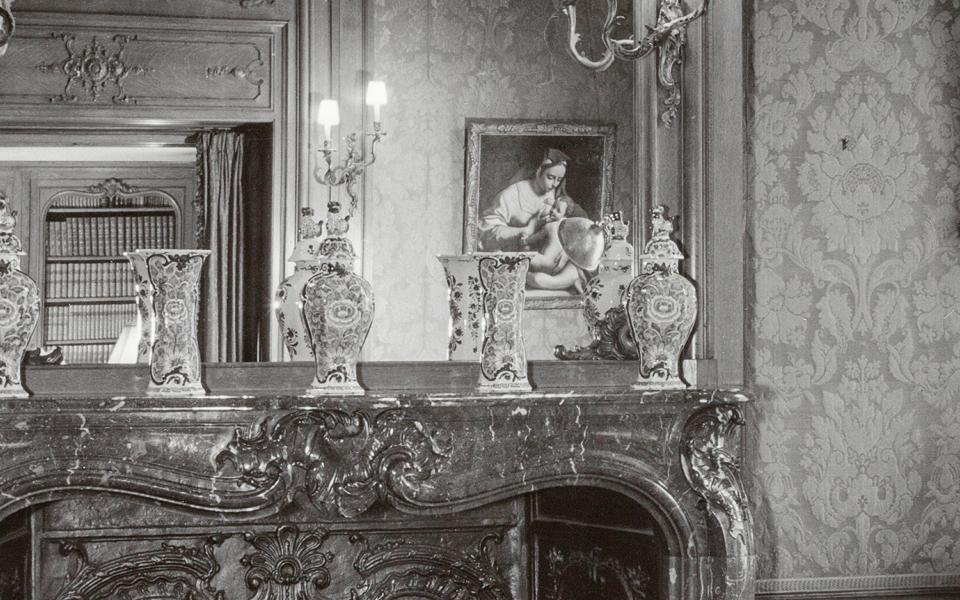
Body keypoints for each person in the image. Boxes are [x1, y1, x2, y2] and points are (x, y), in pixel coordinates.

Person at [477, 148, 587, 253]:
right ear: (538, 171)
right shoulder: (510, 195)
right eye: (550, 177)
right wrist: (526, 230)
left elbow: (571, 210)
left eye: (559, 179)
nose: (555, 184)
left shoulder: (554, 191)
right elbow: (487, 234)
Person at [522, 196, 586, 293]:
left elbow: (536, 237)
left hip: (545, 261)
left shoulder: (550, 225)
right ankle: (530, 277)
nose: (553, 211)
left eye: (558, 210)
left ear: (565, 215)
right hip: (556, 265)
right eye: (553, 207)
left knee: (525, 257)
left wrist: (526, 241)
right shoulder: (569, 229)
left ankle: (524, 274)